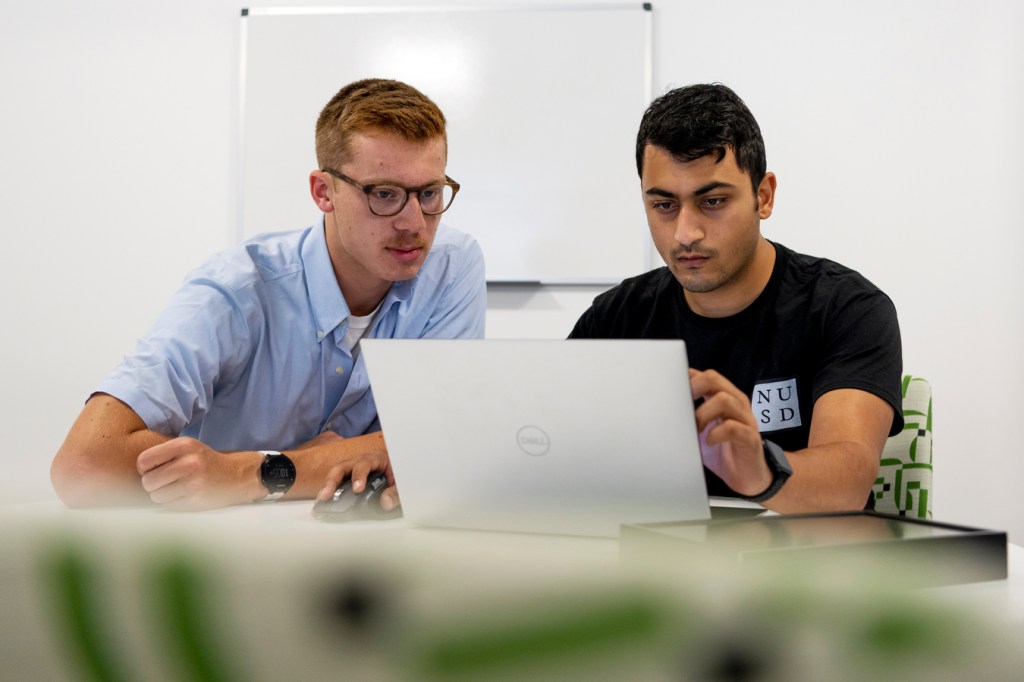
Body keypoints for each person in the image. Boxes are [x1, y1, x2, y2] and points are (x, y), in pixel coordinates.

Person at [51, 78, 485, 511]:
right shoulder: (235, 291)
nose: (414, 222)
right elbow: (83, 465)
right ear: (323, 192)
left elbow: (445, 440)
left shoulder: (451, 265)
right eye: (384, 195)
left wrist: (250, 472)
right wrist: (346, 456)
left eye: (429, 193)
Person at [569, 83, 903, 513]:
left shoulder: (847, 308)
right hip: (654, 565)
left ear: (763, 196)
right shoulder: (615, 319)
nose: (686, 233)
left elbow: (849, 481)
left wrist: (761, 470)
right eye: (664, 205)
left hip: (806, 568)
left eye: (712, 201)